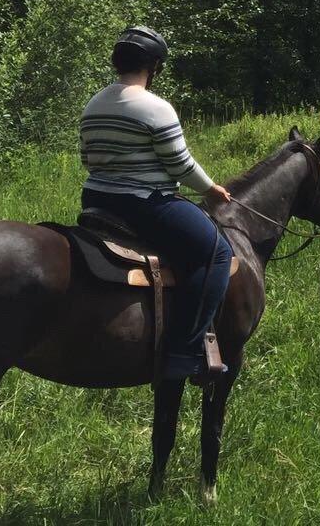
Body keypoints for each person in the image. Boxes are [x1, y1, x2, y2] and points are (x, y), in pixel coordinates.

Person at [79, 26, 234, 381]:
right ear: (154, 66)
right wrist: (211, 189)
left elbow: (87, 158)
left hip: (96, 199)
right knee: (216, 252)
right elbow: (180, 165)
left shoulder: (93, 103)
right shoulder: (156, 108)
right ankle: (184, 354)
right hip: (143, 203)